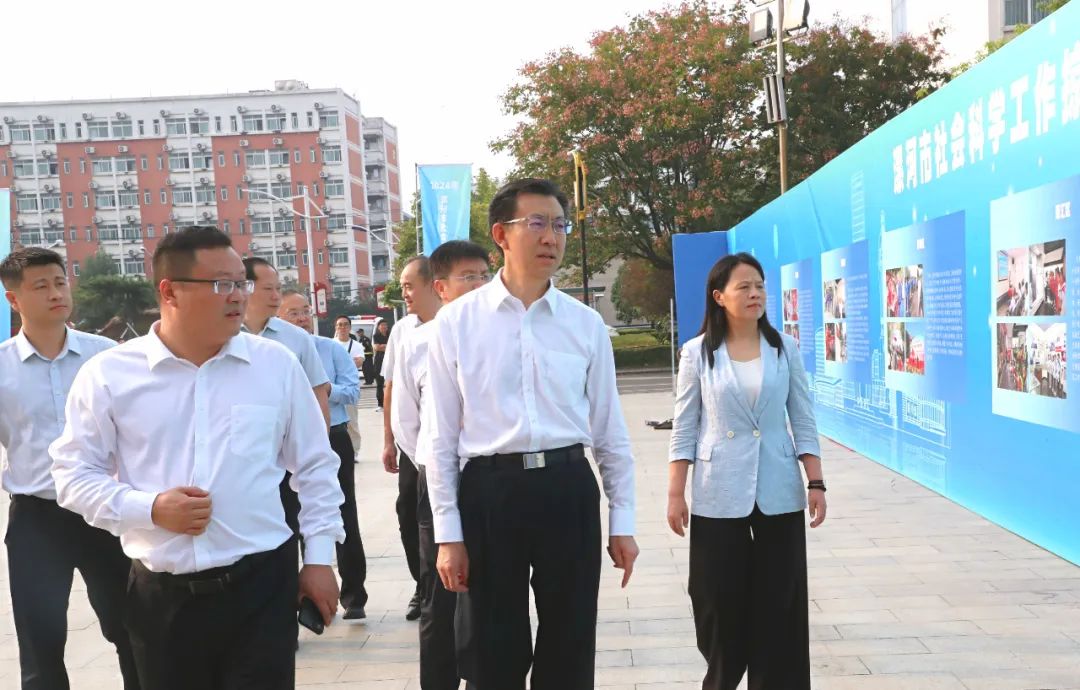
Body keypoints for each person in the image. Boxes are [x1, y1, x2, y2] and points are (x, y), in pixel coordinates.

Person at [49, 226, 345, 690]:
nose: (238, 296)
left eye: (241, 283)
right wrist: (150, 508)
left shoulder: (274, 365)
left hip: (261, 588)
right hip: (162, 597)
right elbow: (72, 474)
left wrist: (321, 558)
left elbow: (315, 466)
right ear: (170, 291)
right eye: (222, 284)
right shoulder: (109, 375)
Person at [427, 178, 639, 689]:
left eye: (560, 225)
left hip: (567, 488)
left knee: (570, 641)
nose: (552, 237)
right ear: (501, 234)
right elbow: (439, 438)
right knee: (491, 648)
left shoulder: (585, 325)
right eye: (537, 223)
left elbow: (609, 429)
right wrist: (448, 534)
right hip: (489, 492)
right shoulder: (456, 323)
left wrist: (623, 520)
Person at [666, 252, 826, 690]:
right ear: (719, 296)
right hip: (718, 491)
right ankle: (721, 679)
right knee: (715, 600)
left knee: (781, 602)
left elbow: (803, 418)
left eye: (759, 286)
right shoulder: (697, 353)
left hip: (778, 489)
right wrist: (676, 493)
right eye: (744, 287)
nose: (755, 294)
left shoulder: (784, 348)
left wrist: (815, 481)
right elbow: (685, 427)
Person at [0, 248, 139, 690]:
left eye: (60, 282)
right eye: (41, 286)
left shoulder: (107, 358)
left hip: (105, 511)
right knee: (40, 641)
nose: (56, 293)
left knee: (132, 629)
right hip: (37, 518)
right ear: (13, 299)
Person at [406, 240, 491, 690]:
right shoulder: (417, 340)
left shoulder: (498, 333)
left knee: (486, 592)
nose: (479, 284)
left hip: (487, 478)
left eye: (484, 275)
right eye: (468, 276)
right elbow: (406, 420)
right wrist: (434, 465)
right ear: (440, 287)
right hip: (437, 477)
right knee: (440, 594)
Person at [279, 293, 369, 620]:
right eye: (293, 313)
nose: (302, 318)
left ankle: (354, 595)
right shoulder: (271, 353)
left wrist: (323, 388)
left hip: (333, 437)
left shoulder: (329, 349)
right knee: (290, 519)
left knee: (342, 513)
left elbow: (353, 390)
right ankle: (298, 601)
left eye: (305, 311)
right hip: (284, 447)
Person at [381, 264, 425, 621]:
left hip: (455, 447)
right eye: (402, 286)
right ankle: (422, 584)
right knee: (408, 512)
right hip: (412, 446)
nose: (404, 294)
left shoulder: (458, 324)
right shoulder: (402, 329)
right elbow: (390, 387)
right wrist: (388, 441)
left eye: (409, 286)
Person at [332, 315, 365, 455]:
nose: (342, 327)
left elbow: (359, 362)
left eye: (345, 324)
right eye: (340, 324)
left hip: (350, 387)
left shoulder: (357, 345)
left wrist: (338, 363)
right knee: (334, 421)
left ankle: (355, 451)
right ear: (336, 327)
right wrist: (348, 362)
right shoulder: (330, 344)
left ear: (350, 327)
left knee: (352, 421)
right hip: (333, 388)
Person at [372, 320, 390, 409]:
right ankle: (380, 404)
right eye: (382, 325)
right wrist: (387, 346)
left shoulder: (390, 335)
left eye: (385, 325)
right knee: (379, 383)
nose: (384, 327)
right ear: (378, 327)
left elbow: (394, 346)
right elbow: (376, 348)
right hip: (379, 361)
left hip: (390, 360)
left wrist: (382, 346)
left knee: (391, 383)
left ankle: (391, 403)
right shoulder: (376, 336)